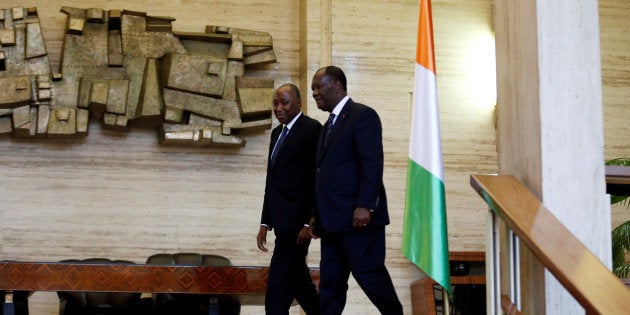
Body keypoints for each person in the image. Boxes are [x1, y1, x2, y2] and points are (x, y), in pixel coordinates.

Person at [309, 66, 403, 314]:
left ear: (337, 85)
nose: (315, 93)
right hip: (331, 223)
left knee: (371, 278)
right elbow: (323, 175)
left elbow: (371, 164)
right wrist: (316, 215)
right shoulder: (326, 126)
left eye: (319, 87)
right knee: (330, 285)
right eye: (312, 89)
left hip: (358, 220)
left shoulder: (363, 116)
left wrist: (365, 205)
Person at [257, 83, 321, 315]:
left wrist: (309, 222)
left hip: (297, 227)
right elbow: (271, 180)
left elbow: (317, 180)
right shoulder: (277, 133)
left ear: (298, 103)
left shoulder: (312, 129)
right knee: (300, 284)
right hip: (280, 223)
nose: (278, 107)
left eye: (284, 102)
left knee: (276, 289)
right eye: (275, 103)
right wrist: (265, 222)